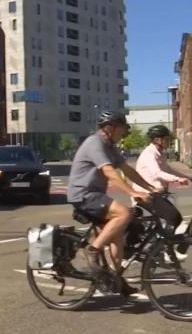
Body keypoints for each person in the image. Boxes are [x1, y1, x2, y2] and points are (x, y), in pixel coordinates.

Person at [67, 110, 159, 296]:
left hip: (95, 195)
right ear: (110, 128)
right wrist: (132, 192)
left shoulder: (110, 146)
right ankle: (93, 250)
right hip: (83, 195)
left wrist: (149, 187)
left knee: (118, 234)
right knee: (124, 213)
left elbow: (127, 170)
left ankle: (115, 279)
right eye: (122, 129)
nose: (123, 132)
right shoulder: (95, 143)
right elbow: (109, 172)